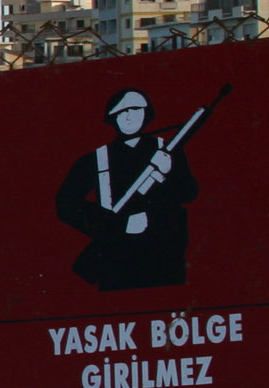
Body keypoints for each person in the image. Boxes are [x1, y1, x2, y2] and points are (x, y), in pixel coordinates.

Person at [55, 87, 197, 291]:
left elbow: (190, 193)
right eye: (122, 111)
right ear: (113, 118)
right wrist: (121, 224)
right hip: (118, 258)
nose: (129, 116)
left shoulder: (168, 151)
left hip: (165, 255)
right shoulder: (96, 159)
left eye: (136, 109)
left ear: (146, 113)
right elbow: (65, 204)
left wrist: (168, 172)